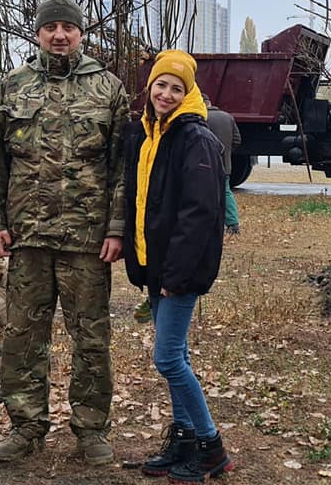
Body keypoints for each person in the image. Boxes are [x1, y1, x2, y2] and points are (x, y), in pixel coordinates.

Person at [0, 0, 128, 465]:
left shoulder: (108, 88)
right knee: (23, 336)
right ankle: (26, 427)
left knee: (91, 337)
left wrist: (117, 227)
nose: (59, 35)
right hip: (28, 238)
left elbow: (121, 167)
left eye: (68, 27)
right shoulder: (13, 86)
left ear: (81, 33)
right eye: (51, 28)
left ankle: (90, 429)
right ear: (38, 33)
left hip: (87, 240)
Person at [124, 50, 234, 483]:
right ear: (150, 88)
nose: (166, 93)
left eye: (176, 87)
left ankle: (211, 447)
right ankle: (185, 438)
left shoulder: (196, 139)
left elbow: (199, 214)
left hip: (179, 271)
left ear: (188, 93)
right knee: (178, 353)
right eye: (160, 85)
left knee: (168, 358)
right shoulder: (151, 134)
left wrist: (174, 275)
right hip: (156, 265)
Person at [204, 97, 242, 234]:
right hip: (225, 164)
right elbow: (237, 140)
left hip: (206, 164)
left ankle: (209, 222)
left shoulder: (202, 118)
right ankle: (233, 223)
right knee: (225, 192)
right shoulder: (228, 117)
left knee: (203, 193)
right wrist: (227, 152)